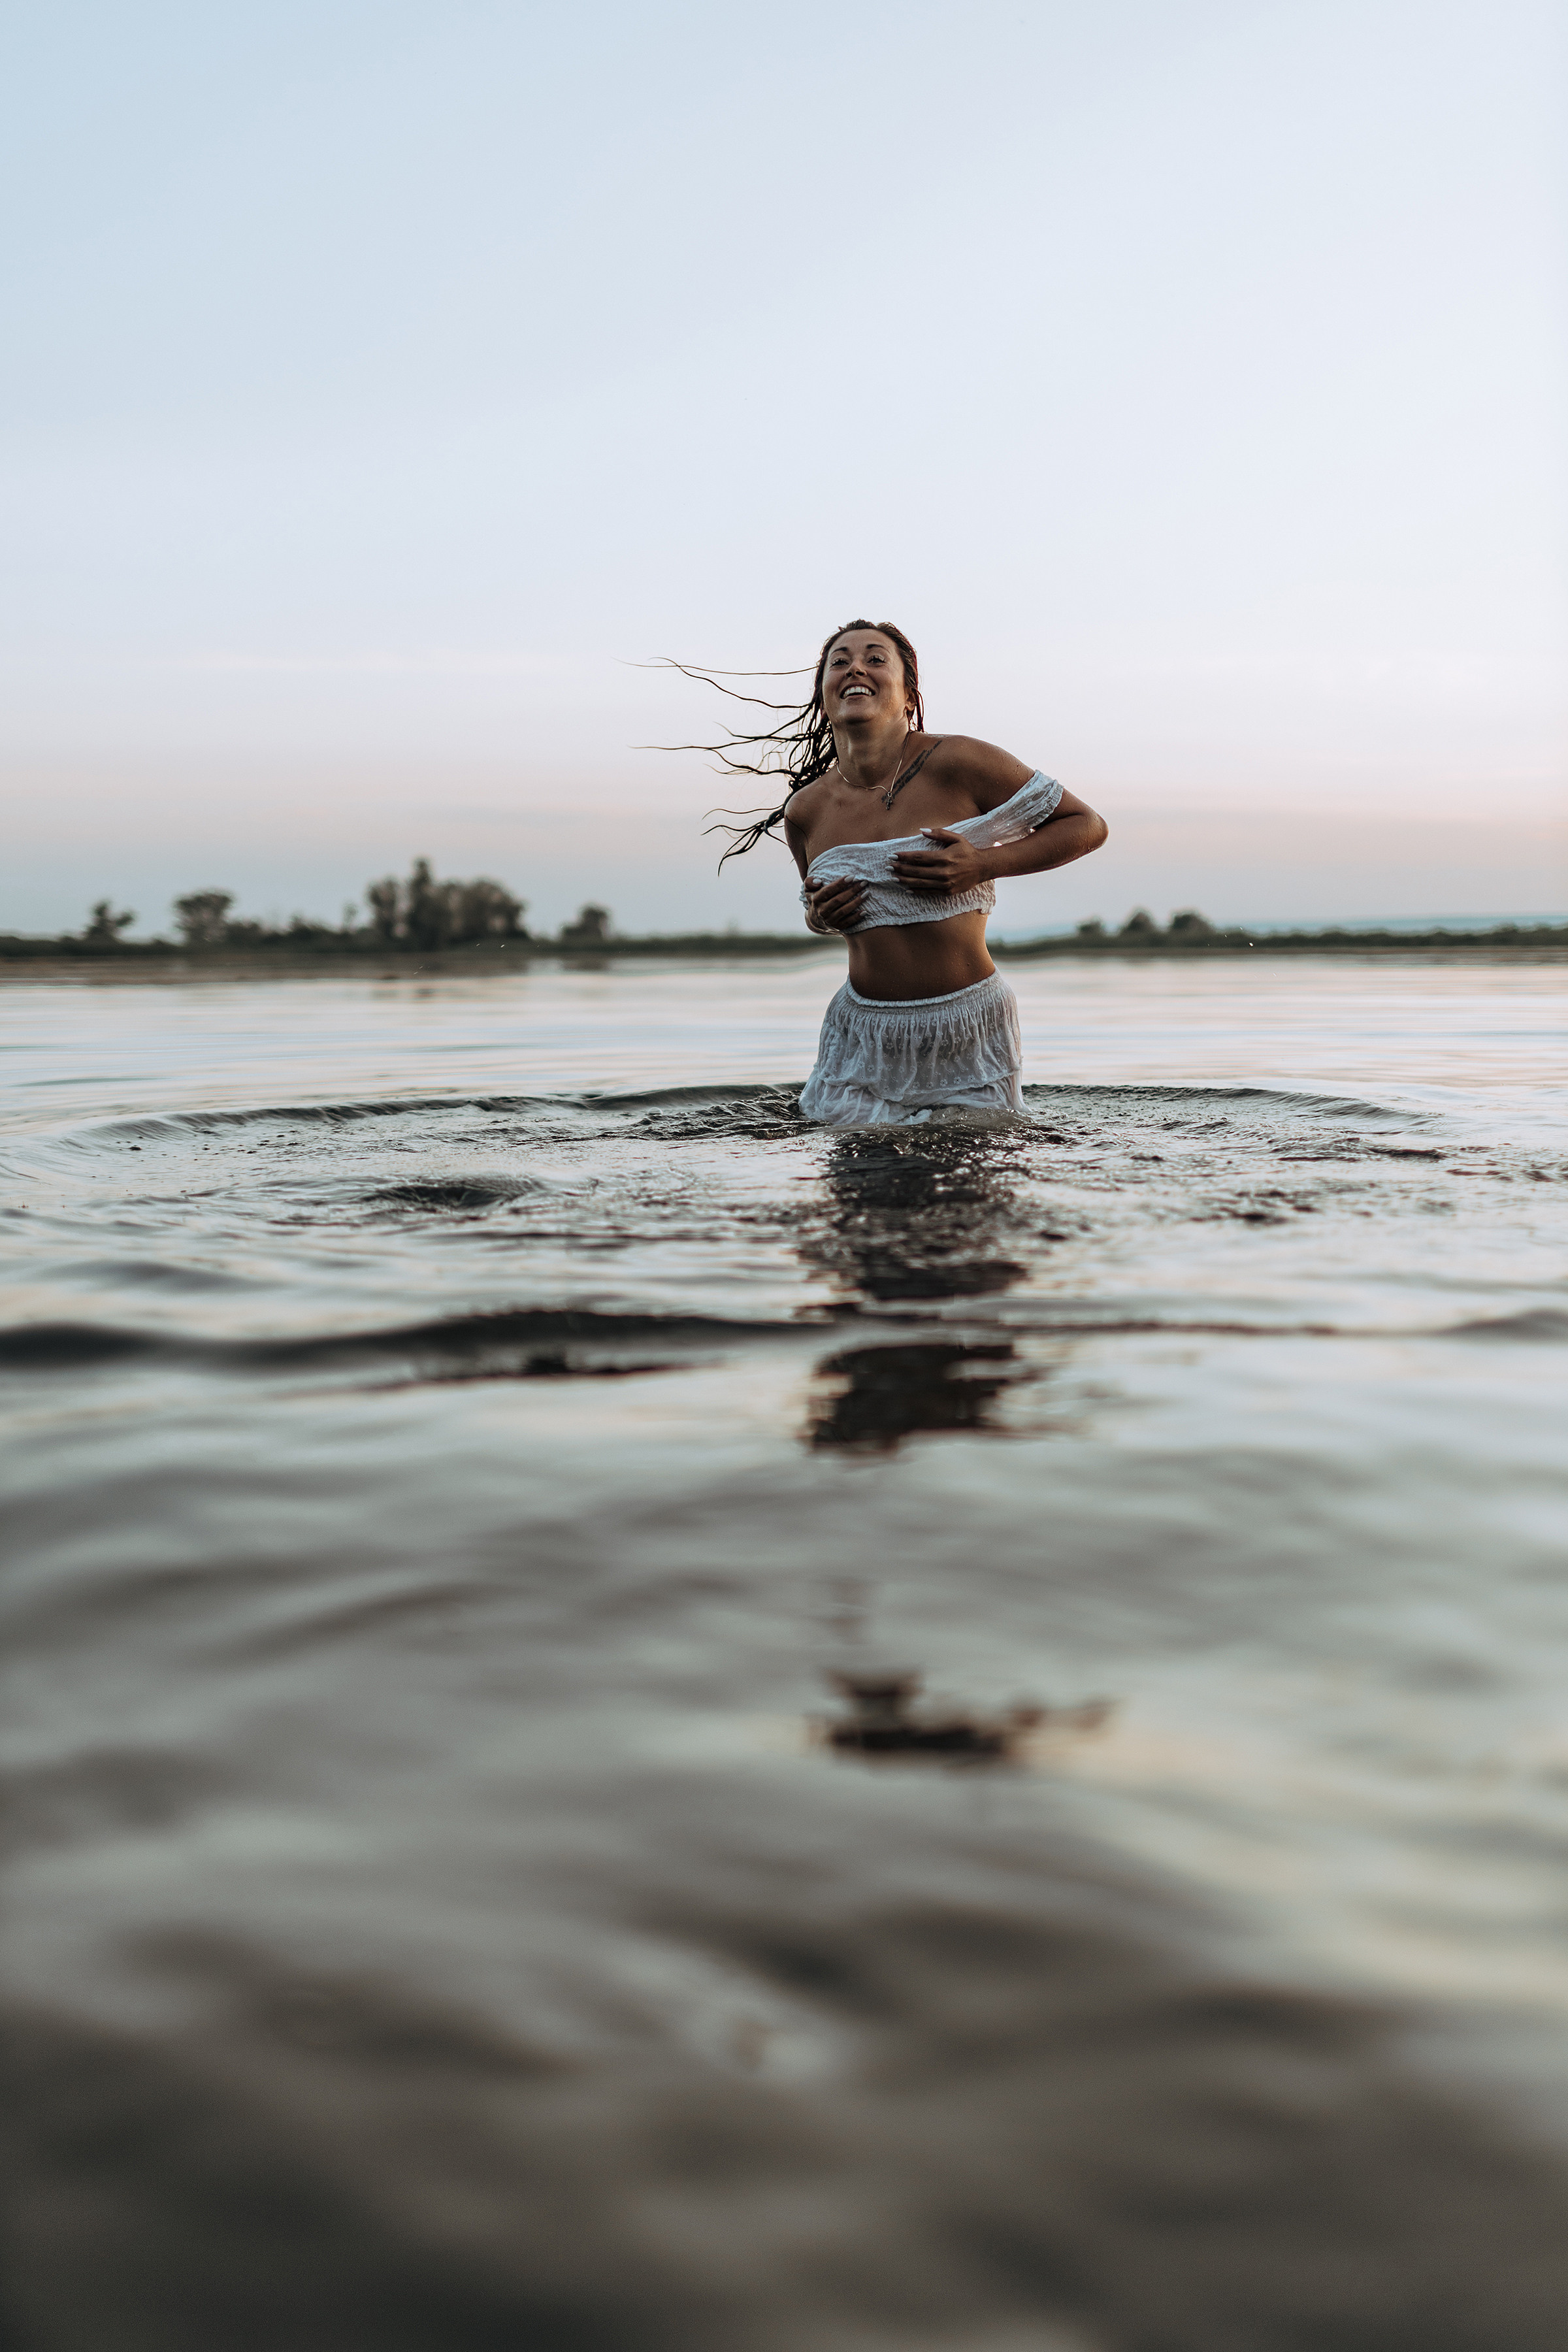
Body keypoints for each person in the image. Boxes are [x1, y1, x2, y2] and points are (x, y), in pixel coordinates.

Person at [705, 619, 1108, 1126]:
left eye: (876, 659)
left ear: (909, 696)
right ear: (824, 695)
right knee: (857, 1196)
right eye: (840, 661)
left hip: (964, 1025)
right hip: (859, 1035)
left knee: (964, 1196)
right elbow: (818, 911)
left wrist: (983, 864)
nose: (856, 668)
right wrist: (820, 916)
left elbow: (1087, 825)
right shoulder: (805, 810)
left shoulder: (960, 761)